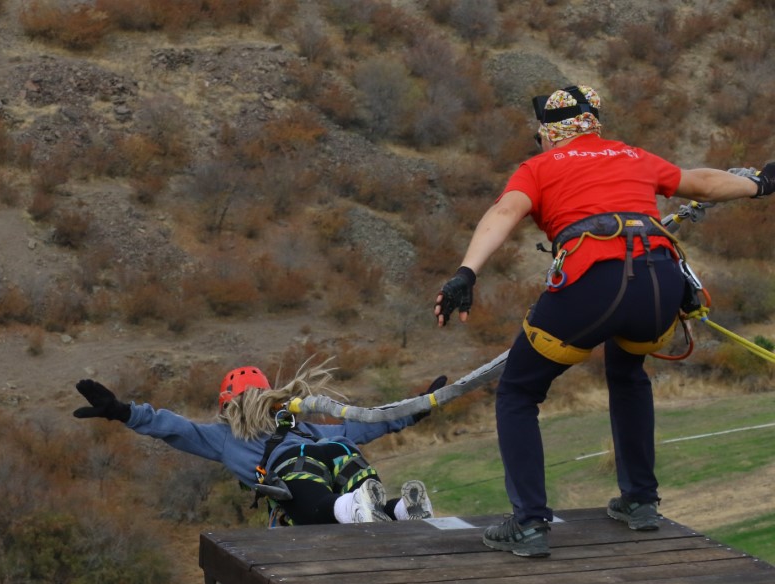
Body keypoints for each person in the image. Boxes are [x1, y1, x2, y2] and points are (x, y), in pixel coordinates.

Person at [434, 84, 775, 558]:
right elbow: (700, 183)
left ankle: (529, 523)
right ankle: (640, 502)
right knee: (628, 372)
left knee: (518, 391)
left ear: (549, 134)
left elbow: (505, 211)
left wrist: (466, 272)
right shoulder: (632, 155)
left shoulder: (539, 166)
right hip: (660, 281)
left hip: (593, 278)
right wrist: (761, 183)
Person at [72, 359, 445, 526]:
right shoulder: (305, 427)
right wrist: (413, 410)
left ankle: (353, 510)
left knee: (306, 505)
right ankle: (399, 509)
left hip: (295, 465)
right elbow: (363, 426)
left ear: (226, 406)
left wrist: (124, 412)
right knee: (354, 474)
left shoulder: (226, 438)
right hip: (339, 452)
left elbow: (174, 428)